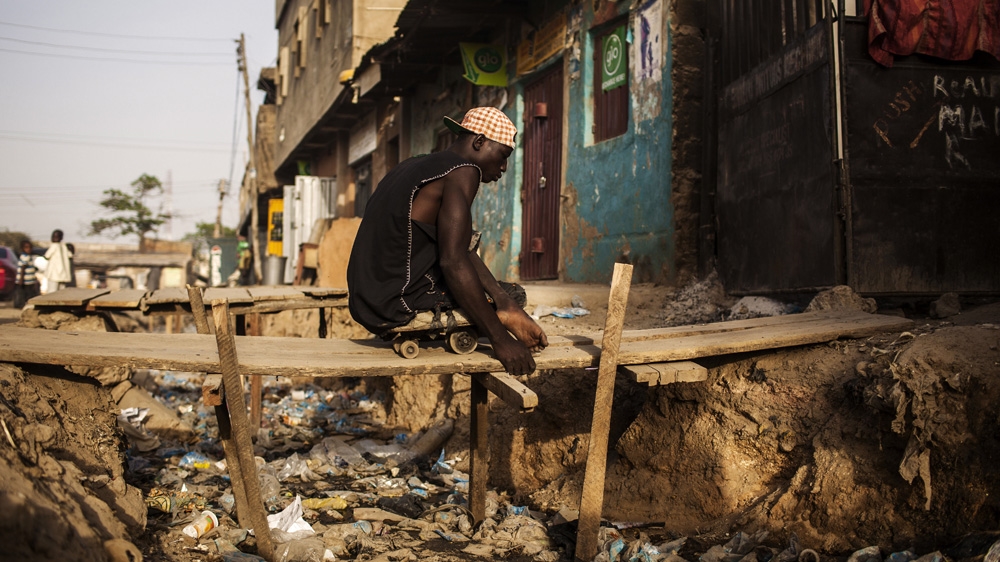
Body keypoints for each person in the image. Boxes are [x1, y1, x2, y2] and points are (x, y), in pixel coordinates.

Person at [347, 107, 548, 376]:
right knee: (513, 293)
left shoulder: (415, 164)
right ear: (479, 142)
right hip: (396, 303)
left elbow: (459, 246)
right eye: (503, 155)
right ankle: (494, 320)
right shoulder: (464, 171)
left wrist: (502, 302)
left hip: (369, 299)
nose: (503, 168)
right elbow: (453, 261)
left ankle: (502, 310)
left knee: (505, 296)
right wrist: (501, 340)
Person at [42, 229, 73, 293]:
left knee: (52, 291)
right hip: (63, 274)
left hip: (54, 274)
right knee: (61, 292)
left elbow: (47, 256)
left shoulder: (54, 246)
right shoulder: (64, 246)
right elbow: (70, 255)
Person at [14, 240, 40, 308]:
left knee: (28, 293)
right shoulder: (26, 256)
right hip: (26, 281)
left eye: (30, 247)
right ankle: (22, 305)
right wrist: (21, 279)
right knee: (25, 294)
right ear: (22, 248)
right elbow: (23, 268)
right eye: (26, 247)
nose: (28, 249)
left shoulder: (27, 256)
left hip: (29, 280)